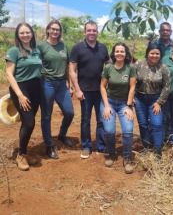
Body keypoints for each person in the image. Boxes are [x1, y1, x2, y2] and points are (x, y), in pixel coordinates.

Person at [69, 21, 111, 159]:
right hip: (85, 90)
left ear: (97, 32)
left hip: (100, 90)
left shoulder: (103, 48)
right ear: (84, 32)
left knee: (101, 119)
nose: (91, 33)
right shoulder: (77, 48)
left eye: (94, 30)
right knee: (85, 119)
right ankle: (86, 146)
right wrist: (77, 89)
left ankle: (101, 146)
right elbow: (72, 69)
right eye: (89, 30)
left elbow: (109, 66)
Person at [5, 23, 42, 170]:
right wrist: (20, 95)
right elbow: (9, 74)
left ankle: (23, 151)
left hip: (36, 89)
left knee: (27, 122)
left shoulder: (36, 51)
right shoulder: (14, 51)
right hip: (21, 89)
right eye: (22, 33)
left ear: (32, 34)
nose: (25, 35)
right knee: (29, 123)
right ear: (18, 35)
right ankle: (20, 155)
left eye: (27, 32)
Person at [37, 20, 74, 159]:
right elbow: (35, 65)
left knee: (69, 113)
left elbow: (68, 67)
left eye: (57, 30)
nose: (55, 32)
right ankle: (49, 145)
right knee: (47, 115)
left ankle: (62, 134)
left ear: (60, 32)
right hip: (46, 83)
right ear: (48, 30)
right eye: (52, 29)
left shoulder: (64, 46)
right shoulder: (41, 46)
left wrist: (70, 85)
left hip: (61, 84)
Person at [100, 43, 136, 173]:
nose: (119, 54)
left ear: (126, 53)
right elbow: (103, 87)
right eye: (117, 51)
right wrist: (106, 106)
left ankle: (127, 157)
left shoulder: (130, 68)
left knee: (127, 131)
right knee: (109, 131)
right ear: (113, 53)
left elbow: (132, 87)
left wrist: (128, 106)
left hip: (124, 104)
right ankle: (111, 154)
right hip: (108, 102)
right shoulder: (108, 67)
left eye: (122, 51)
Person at [134, 44, 171, 161]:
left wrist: (159, 102)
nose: (154, 56)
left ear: (160, 55)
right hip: (139, 99)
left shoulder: (163, 68)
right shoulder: (139, 64)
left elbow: (167, 86)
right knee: (143, 124)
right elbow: (132, 81)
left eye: (157, 54)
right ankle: (145, 147)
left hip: (155, 100)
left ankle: (157, 150)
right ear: (147, 53)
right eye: (152, 53)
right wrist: (131, 96)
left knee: (156, 124)